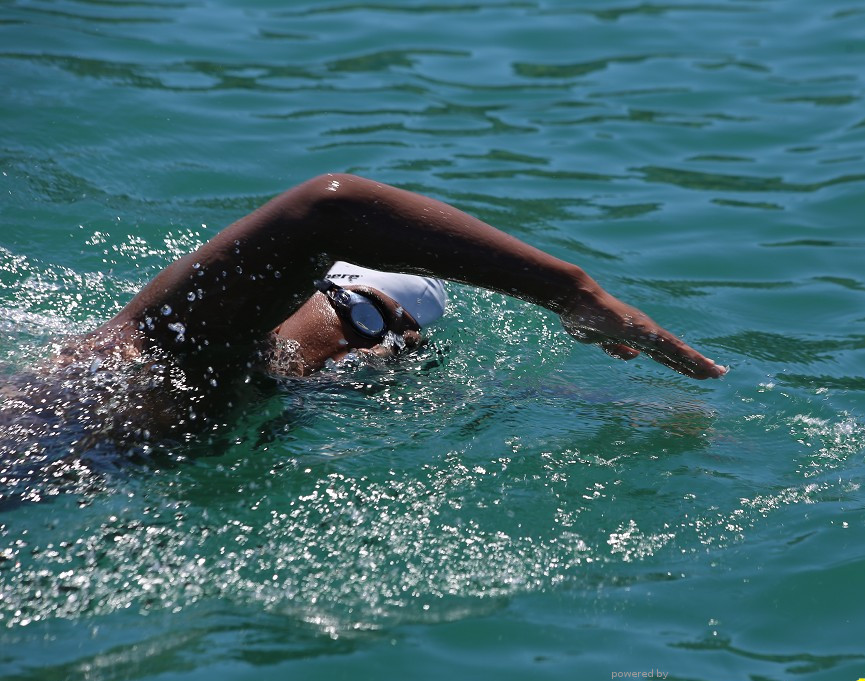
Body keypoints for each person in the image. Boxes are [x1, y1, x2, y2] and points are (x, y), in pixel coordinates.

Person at [1, 174, 725, 502]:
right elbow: (328, 208)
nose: (368, 344)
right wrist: (575, 292)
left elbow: (517, 403)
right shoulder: (180, 343)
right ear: (301, 291)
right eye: (366, 315)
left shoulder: (267, 390)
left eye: (396, 340)